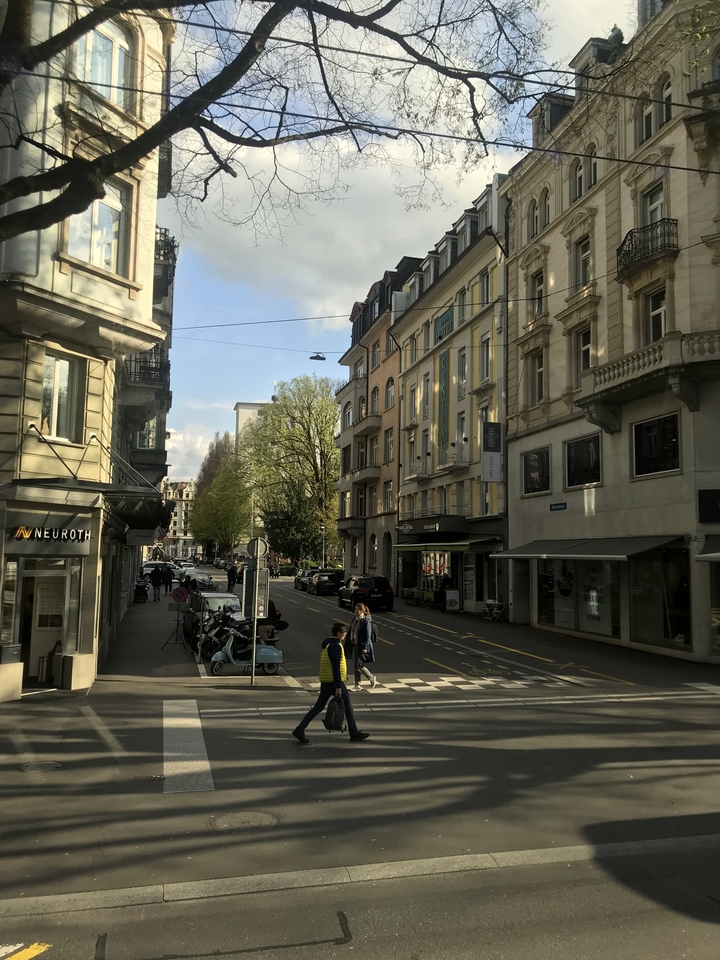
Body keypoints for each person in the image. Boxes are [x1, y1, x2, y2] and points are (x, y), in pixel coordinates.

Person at [292, 622, 369, 744]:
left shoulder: (329, 644)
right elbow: (335, 667)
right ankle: (353, 733)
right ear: (338, 633)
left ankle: (299, 729)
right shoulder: (335, 646)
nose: (345, 634)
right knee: (348, 707)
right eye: (344, 632)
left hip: (327, 680)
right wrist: (338, 686)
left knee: (318, 707)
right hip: (334, 682)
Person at [348, 603, 377, 690]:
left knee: (359, 665)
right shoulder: (355, 619)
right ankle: (357, 684)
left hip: (361, 645)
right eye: (355, 609)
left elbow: (367, 636)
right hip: (355, 644)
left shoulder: (365, 621)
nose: (355, 611)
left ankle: (370, 677)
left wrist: (365, 647)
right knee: (356, 665)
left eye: (356, 609)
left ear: (361, 611)